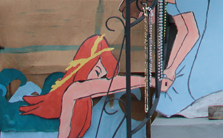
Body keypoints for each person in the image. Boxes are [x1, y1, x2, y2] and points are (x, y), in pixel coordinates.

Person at [19, 35, 151, 138]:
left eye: (102, 76)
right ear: (86, 63)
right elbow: (109, 85)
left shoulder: (83, 99)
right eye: (98, 72)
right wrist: (148, 81)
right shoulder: (74, 89)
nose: (97, 80)